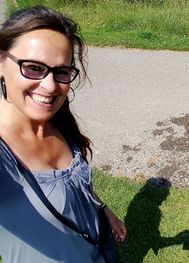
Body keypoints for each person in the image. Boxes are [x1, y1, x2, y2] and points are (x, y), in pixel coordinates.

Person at [0, 6, 126, 263]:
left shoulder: (56, 120)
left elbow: (77, 184)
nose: (49, 86)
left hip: (100, 250)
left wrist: (102, 209)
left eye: (61, 72)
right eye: (33, 67)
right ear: (1, 62)